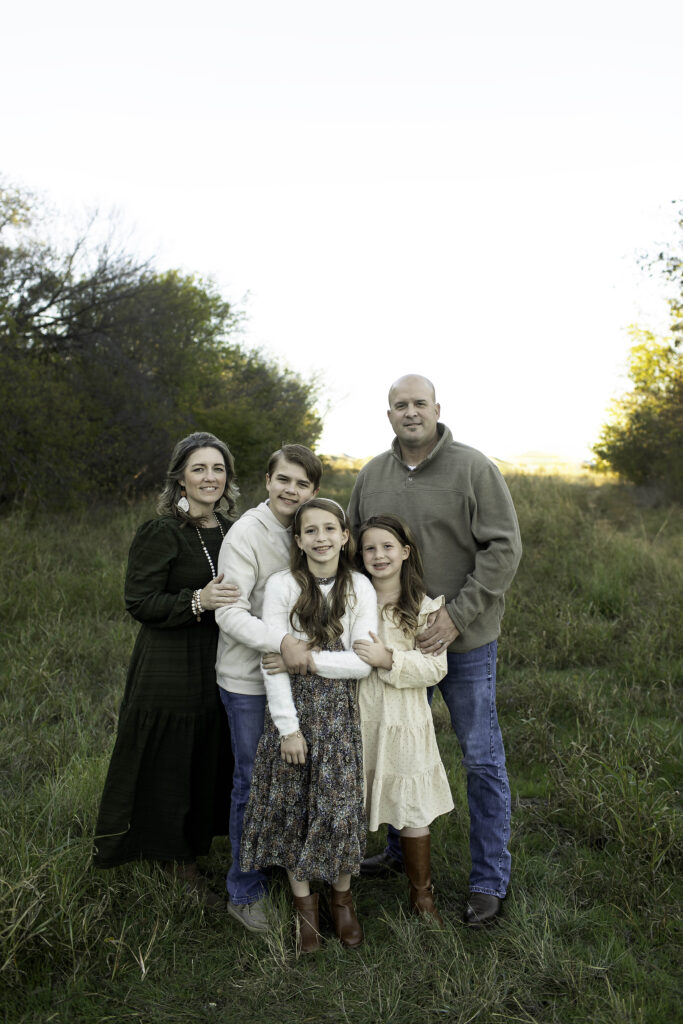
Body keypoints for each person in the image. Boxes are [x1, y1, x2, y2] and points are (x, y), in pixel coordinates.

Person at [347, 375, 522, 927]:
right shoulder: (373, 474)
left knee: (480, 756)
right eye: (400, 405)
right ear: (390, 414)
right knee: (397, 742)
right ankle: (402, 851)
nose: (410, 412)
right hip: (392, 644)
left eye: (419, 403)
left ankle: (489, 879)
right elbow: (353, 545)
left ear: (437, 409)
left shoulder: (473, 468)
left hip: (463, 639)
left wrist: (455, 615)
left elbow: (504, 548)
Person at [93, 432, 240, 906]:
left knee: (209, 751)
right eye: (199, 469)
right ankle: (177, 863)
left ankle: (202, 843)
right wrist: (198, 599)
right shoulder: (162, 531)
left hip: (222, 658)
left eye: (217, 469)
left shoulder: (234, 529)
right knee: (174, 758)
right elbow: (138, 600)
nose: (209, 478)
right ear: (180, 476)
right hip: (170, 661)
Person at [240, 498, 377, 953]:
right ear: (297, 540)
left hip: (338, 714)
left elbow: (361, 664)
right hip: (292, 712)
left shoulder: (359, 586)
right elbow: (272, 665)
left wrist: (306, 658)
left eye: (329, 529)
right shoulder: (282, 585)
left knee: (339, 812)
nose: (320, 539)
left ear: (344, 536)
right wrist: (288, 729)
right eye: (310, 531)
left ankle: (342, 902)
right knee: (294, 812)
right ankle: (305, 912)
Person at [214, 445, 323, 933]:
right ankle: (243, 889)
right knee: (251, 783)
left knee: (287, 780)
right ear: (267, 480)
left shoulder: (307, 529)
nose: (291, 490)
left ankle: (278, 863)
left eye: (301, 484)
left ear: (313, 491)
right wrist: (281, 641)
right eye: (284, 480)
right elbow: (228, 612)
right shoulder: (246, 534)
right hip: (247, 682)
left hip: (297, 679)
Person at [352, 514, 454, 924]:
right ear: (360, 556)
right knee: (349, 799)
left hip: (405, 723)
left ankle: (421, 894)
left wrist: (388, 659)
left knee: (411, 807)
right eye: (370, 548)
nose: (379, 555)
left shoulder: (425, 608)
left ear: (405, 553)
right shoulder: (352, 602)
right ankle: (340, 890)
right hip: (358, 718)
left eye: (387, 547)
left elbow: (434, 668)